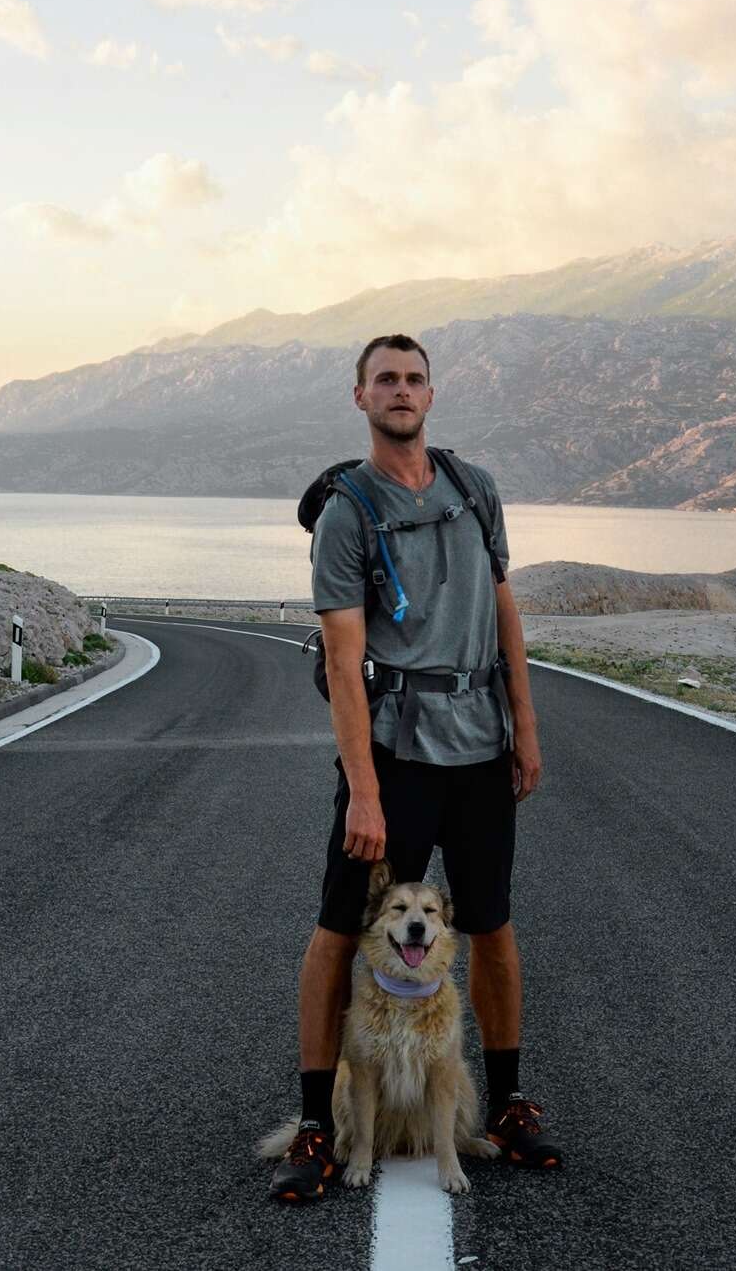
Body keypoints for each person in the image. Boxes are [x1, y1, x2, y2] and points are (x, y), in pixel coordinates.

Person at [268, 332, 562, 1203]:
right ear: (359, 397)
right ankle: (321, 1126)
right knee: (335, 928)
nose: (401, 390)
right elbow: (345, 658)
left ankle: (505, 1105)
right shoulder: (347, 514)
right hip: (395, 752)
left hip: (480, 745)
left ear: (432, 394)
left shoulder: (476, 491)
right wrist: (363, 789)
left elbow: (504, 607)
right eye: (385, 379)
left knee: (493, 928)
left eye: (414, 378)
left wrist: (527, 723)